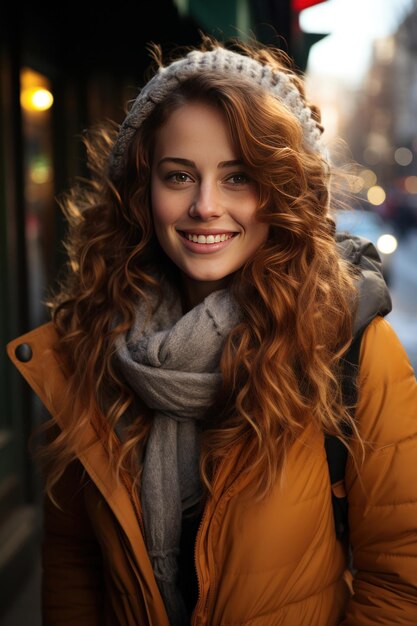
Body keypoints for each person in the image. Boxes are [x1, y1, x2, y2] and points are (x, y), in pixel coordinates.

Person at [6, 36, 417, 626]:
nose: (205, 205)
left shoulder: (348, 347)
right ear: (141, 192)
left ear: (281, 192)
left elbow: (401, 582)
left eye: (237, 178)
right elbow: (74, 564)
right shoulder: (92, 347)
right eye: (178, 176)